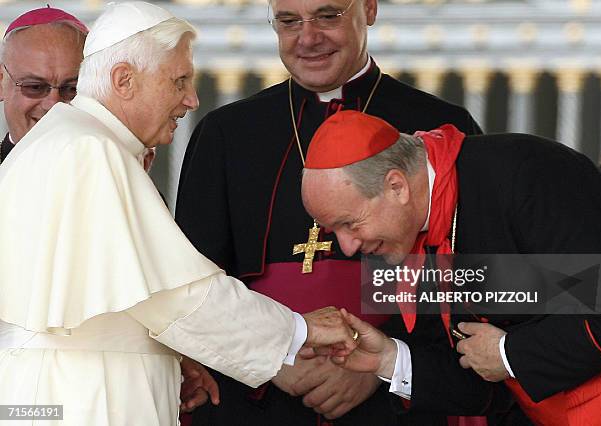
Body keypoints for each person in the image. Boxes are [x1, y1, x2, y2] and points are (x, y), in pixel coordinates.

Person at [0, 3, 359, 425]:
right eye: (179, 81)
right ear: (124, 81)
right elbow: (179, 297)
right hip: (82, 397)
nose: (191, 99)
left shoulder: (77, 142)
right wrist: (300, 332)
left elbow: (129, 294)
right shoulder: (90, 150)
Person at [176, 0, 480, 424]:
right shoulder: (225, 132)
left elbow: (471, 275)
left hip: (392, 398)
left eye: (328, 15)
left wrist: (382, 361)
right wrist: (273, 352)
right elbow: (191, 280)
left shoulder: (440, 125)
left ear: (369, 10)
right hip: (254, 393)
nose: (308, 37)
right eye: (288, 21)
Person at [300, 110, 601, 425]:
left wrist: (508, 354)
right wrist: (388, 359)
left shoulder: (528, 173)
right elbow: (482, 382)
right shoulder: (400, 241)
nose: (347, 247)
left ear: (397, 186)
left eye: (349, 224)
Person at [0, 6, 87, 164]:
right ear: (1, 82)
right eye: (35, 87)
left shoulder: (107, 171)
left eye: (72, 89)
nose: (53, 105)